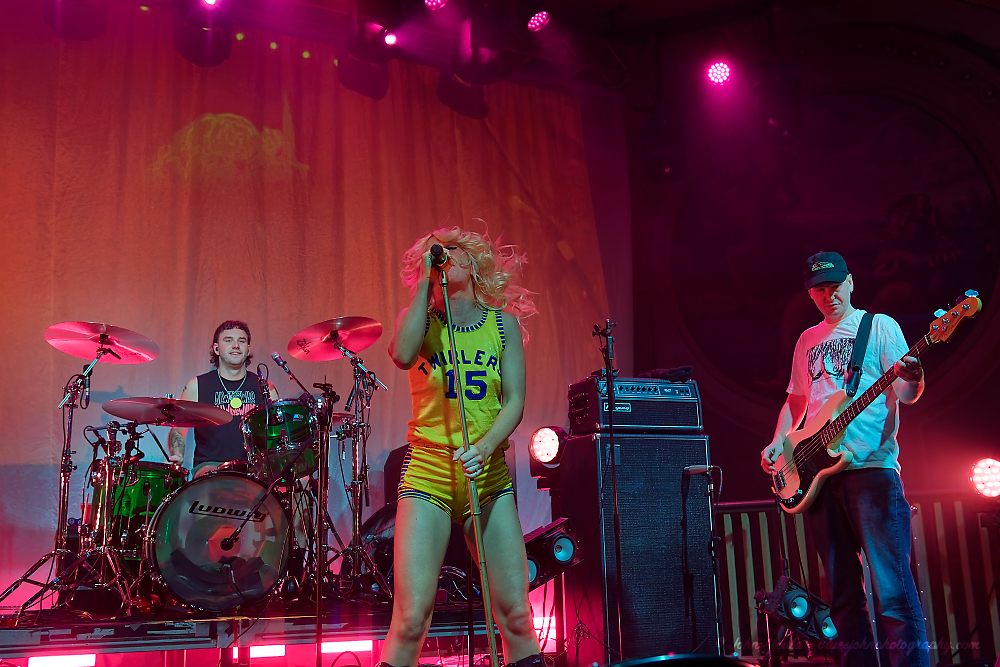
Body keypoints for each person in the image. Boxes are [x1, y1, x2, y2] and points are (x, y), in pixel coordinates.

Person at [760, 252, 929, 667]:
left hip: (871, 471)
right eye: (819, 289)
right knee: (843, 598)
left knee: (892, 591)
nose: (828, 295)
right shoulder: (806, 339)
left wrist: (915, 377)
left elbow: (906, 393)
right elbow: (797, 402)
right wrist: (779, 441)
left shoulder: (879, 326)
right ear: (810, 294)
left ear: (851, 282)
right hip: (818, 477)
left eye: (835, 286)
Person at [383, 226, 542, 667]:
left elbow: (514, 401)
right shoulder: (418, 319)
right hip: (429, 472)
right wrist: (425, 285)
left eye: (453, 250)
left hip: (487, 474)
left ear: (473, 263)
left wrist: (487, 446)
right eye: (435, 253)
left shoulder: (502, 324)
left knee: (516, 615)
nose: (444, 256)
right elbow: (402, 355)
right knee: (411, 618)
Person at [168, 320, 278, 478]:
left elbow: (278, 434)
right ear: (216, 349)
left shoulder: (266, 388)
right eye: (228, 340)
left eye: (241, 341)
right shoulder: (196, 386)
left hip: (254, 469)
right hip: (210, 468)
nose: (236, 345)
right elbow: (178, 429)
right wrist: (177, 454)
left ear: (248, 349)